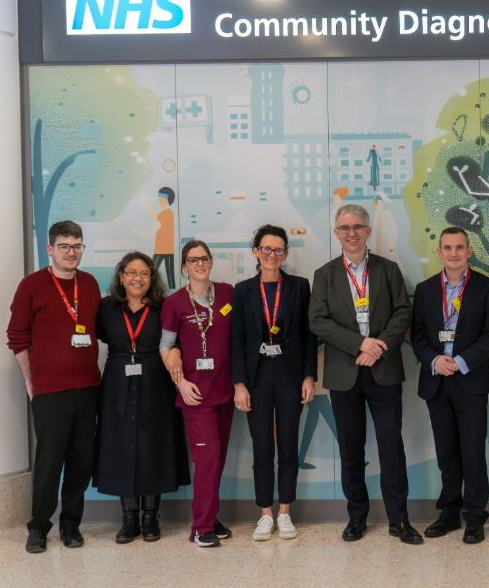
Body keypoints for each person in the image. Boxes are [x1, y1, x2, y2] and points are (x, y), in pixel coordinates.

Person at [309, 204, 421, 544]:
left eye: (358, 226)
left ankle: (399, 519)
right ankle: (356, 516)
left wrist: (380, 346)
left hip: (384, 370)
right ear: (336, 232)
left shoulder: (388, 270)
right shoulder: (324, 274)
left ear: (368, 231)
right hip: (344, 373)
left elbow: (403, 312)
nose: (352, 233)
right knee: (351, 449)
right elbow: (318, 321)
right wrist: (361, 344)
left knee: (391, 448)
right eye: (345, 227)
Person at [7, 220, 102, 554]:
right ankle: (38, 528)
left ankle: (71, 526)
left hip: (88, 387)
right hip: (49, 392)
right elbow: (16, 337)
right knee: (49, 464)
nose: (71, 252)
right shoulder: (31, 285)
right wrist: (31, 383)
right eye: (64, 246)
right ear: (50, 249)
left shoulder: (89, 284)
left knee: (81, 462)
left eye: (77, 246)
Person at [411, 227, 489, 544]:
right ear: (439, 252)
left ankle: (475, 517)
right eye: (447, 247)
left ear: (469, 251)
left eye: (459, 247)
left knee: (473, 452)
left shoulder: (485, 287)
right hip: (437, 381)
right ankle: (449, 512)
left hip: (470, 380)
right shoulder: (424, 290)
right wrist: (435, 361)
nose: (453, 253)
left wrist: (461, 361)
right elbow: (418, 336)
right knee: (447, 453)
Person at [94, 251, 190, 544]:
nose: (138, 278)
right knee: (121, 445)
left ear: (152, 278)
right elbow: (101, 336)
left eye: (145, 273)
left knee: (153, 444)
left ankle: (150, 517)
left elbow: (175, 341)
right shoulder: (107, 307)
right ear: (121, 276)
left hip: (156, 379)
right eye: (131, 272)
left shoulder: (164, 306)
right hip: (117, 381)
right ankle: (128, 519)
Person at [231, 225, 318, 542]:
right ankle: (265, 513)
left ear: (286, 254)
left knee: (289, 443)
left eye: (278, 249)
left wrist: (309, 375)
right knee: (262, 447)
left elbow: (310, 336)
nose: (272, 255)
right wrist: (239, 384)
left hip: (289, 374)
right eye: (266, 249)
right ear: (255, 252)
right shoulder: (243, 290)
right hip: (257, 377)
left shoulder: (298, 286)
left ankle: (285, 512)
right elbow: (237, 341)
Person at [160, 240, 235, 548]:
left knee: (216, 460)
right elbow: (165, 346)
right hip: (195, 396)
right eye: (193, 260)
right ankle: (200, 526)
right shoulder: (175, 302)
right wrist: (180, 382)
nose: (200, 264)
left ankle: (210, 515)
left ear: (211, 261)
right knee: (207, 458)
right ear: (184, 266)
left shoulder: (228, 294)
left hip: (225, 392)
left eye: (204, 258)